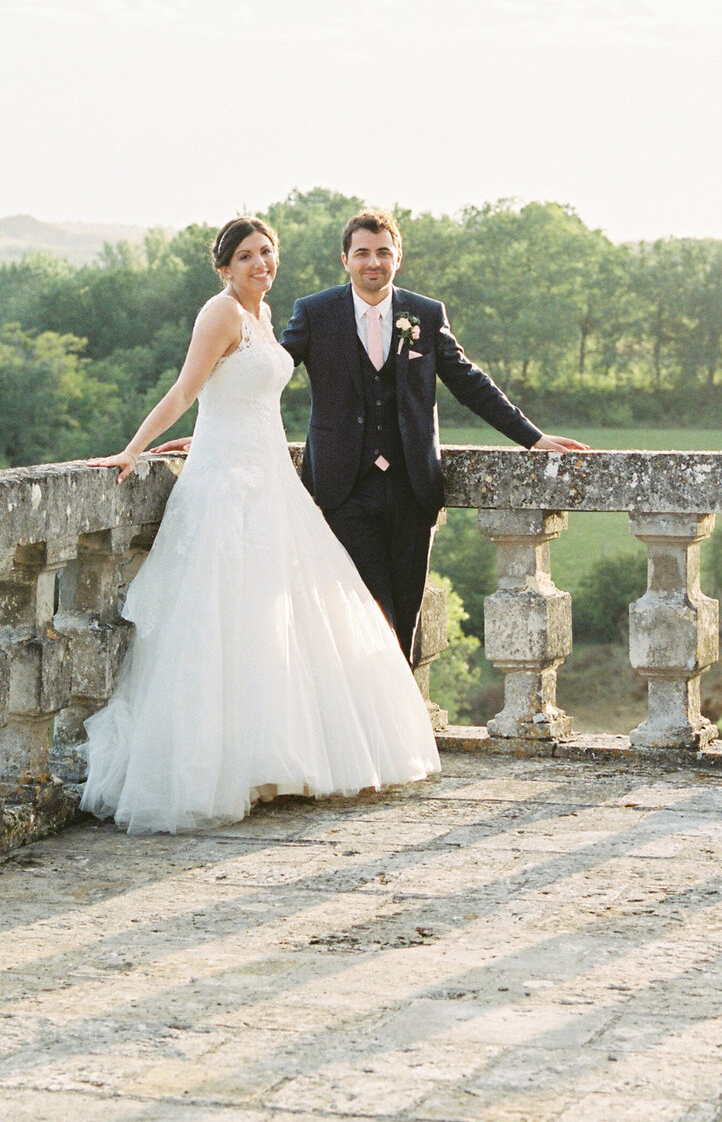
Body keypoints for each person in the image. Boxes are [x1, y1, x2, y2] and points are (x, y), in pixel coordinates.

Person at [83, 216, 440, 835]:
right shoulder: (219, 313)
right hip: (226, 489)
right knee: (221, 625)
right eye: (246, 257)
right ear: (224, 268)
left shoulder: (266, 317)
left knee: (274, 625)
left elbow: (240, 394)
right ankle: (218, 769)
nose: (259, 265)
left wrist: (214, 427)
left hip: (270, 479)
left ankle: (269, 760)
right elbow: (186, 390)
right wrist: (135, 449)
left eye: (266, 254)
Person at [279, 209, 588, 663]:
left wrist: (531, 437)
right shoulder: (315, 312)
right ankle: (372, 725)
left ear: (398, 257)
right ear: (345, 258)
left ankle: (392, 727)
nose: (373, 263)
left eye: (383, 252)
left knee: (404, 618)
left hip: (412, 488)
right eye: (362, 252)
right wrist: (215, 428)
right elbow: (268, 374)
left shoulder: (423, 312)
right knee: (367, 617)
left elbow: (469, 382)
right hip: (343, 491)